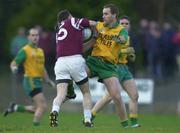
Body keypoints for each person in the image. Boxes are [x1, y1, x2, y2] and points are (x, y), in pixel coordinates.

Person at [49, 9, 97, 127]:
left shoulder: (59, 30)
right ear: (69, 16)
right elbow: (94, 23)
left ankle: (54, 112)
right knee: (86, 92)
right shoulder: (73, 21)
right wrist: (95, 32)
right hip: (75, 61)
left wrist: (93, 40)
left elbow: (80, 48)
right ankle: (87, 119)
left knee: (60, 95)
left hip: (60, 63)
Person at [90, 16, 140, 128]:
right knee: (108, 97)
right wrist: (127, 51)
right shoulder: (114, 34)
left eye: (127, 23)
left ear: (130, 25)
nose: (125, 25)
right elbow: (113, 52)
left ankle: (133, 123)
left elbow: (130, 56)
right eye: (122, 23)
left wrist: (131, 55)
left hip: (124, 68)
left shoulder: (128, 37)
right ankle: (89, 116)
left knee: (134, 95)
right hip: (114, 67)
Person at [85, 4, 129, 128]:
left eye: (106, 14)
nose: (103, 16)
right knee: (78, 74)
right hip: (93, 61)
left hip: (108, 66)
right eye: (103, 13)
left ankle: (125, 126)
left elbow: (123, 39)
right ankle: (87, 116)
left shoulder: (121, 29)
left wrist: (118, 39)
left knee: (116, 96)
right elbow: (85, 22)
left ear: (114, 15)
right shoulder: (99, 25)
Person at [4, 28, 55, 126]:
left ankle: (15, 107)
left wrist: (48, 80)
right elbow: (14, 63)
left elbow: (42, 68)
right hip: (30, 81)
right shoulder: (25, 50)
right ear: (28, 37)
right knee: (42, 105)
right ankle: (35, 127)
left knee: (37, 108)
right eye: (32, 35)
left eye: (36, 35)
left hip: (38, 82)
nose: (35, 37)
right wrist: (14, 68)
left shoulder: (40, 51)